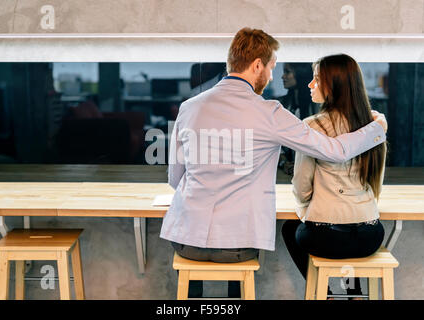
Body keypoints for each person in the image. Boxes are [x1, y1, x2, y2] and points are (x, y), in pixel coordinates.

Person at [160, 28, 387, 299]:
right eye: (271, 67)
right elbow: (335, 151)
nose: (270, 76)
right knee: (236, 254)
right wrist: (376, 129)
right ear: (257, 65)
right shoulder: (271, 113)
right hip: (238, 245)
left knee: (194, 265)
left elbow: (175, 178)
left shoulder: (189, 107)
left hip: (185, 239)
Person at [281, 54, 387, 299]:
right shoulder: (373, 125)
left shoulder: (311, 127)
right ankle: (353, 291)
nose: (310, 84)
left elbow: (301, 187)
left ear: (334, 85)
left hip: (325, 237)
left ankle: (326, 293)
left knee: (291, 229)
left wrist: (309, 210)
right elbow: (376, 181)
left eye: (316, 79)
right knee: (348, 238)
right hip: (370, 235)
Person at [278, 63, 315, 175]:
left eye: (287, 72)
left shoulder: (317, 107)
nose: (282, 76)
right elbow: (275, 142)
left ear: (301, 74)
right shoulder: (282, 105)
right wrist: (284, 163)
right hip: (288, 174)